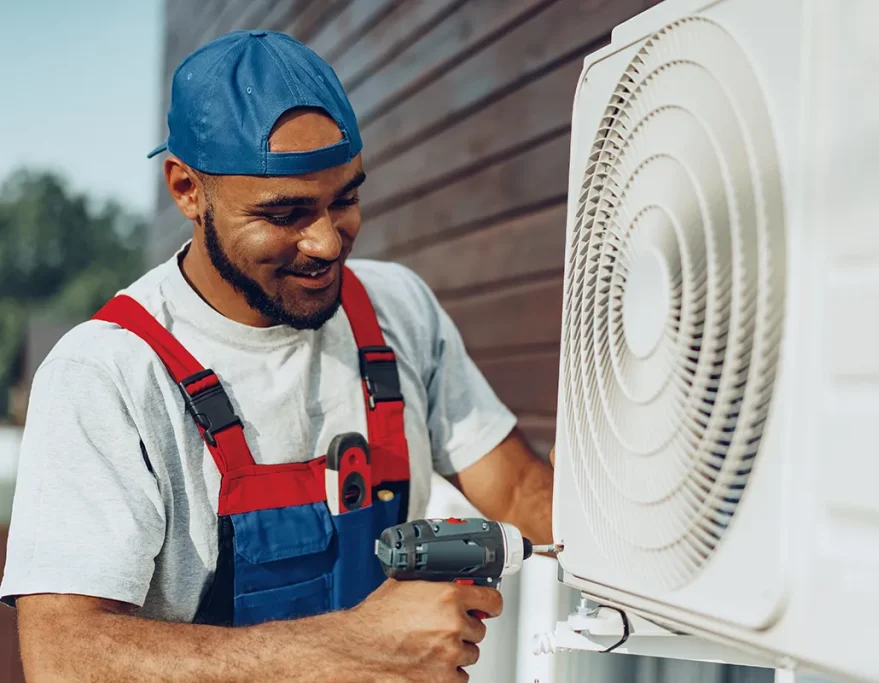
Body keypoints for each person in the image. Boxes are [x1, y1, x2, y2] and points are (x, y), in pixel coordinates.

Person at [0, 29, 556, 683]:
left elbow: (519, 491)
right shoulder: (108, 374)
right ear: (185, 188)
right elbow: (65, 657)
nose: (326, 241)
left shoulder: (398, 309)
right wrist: (351, 647)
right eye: (285, 212)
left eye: (345, 199)